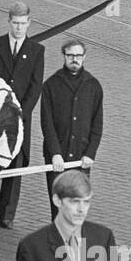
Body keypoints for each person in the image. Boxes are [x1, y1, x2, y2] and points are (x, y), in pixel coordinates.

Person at [0, 2, 44, 229]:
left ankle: (6, 214)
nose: (19, 28)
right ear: (9, 22)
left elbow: (35, 87)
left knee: (15, 165)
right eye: (15, 23)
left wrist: (20, 113)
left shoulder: (36, 51)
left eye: (23, 24)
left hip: (20, 120)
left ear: (29, 23)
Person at [41, 41, 103, 220]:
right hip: (57, 159)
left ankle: (73, 244)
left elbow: (97, 124)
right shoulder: (51, 85)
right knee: (59, 206)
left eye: (78, 56)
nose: (74, 59)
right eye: (70, 56)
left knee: (78, 206)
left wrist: (90, 153)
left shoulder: (93, 86)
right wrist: (55, 153)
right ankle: (59, 244)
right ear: (64, 56)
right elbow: (47, 123)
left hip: (81, 158)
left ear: (84, 57)